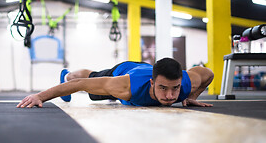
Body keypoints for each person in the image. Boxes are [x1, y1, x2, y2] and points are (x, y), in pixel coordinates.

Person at [17, 58, 214, 108]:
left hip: (145, 68)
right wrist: (39, 96)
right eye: (163, 88)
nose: (171, 96)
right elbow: (80, 84)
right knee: (92, 77)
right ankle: (66, 73)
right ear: (153, 83)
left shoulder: (187, 83)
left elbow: (208, 73)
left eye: (175, 89)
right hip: (125, 70)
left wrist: (191, 97)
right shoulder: (123, 86)